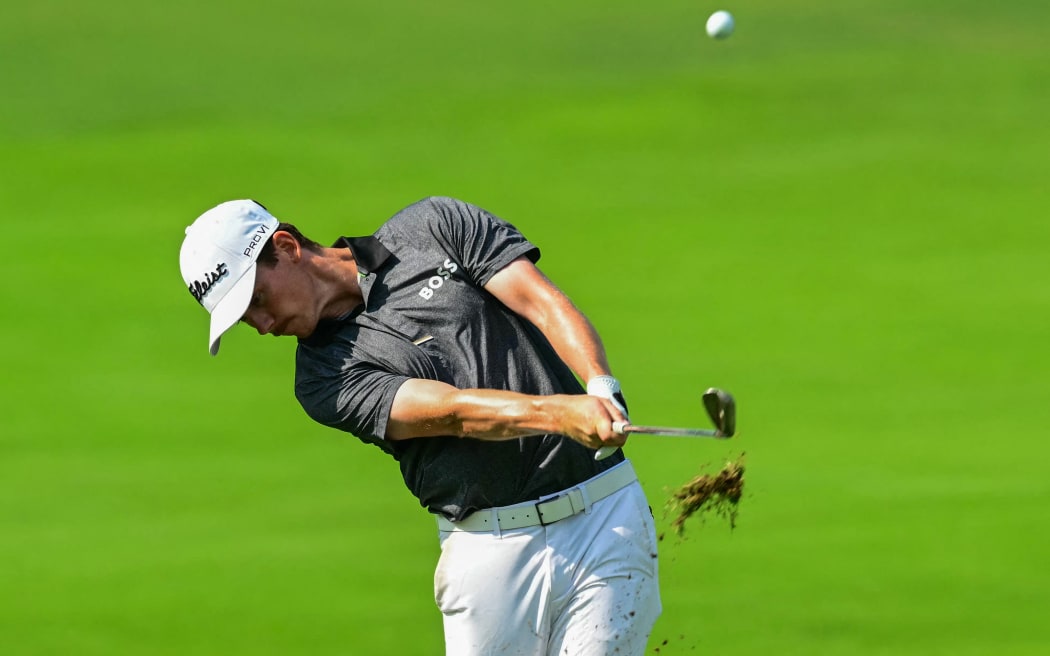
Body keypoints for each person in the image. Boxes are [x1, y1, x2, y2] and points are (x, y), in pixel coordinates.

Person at [178, 196, 661, 655]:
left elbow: (539, 300)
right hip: (491, 550)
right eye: (246, 320)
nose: (262, 326)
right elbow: (452, 413)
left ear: (285, 247)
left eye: (258, 299)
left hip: (605, 519)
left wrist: (599, 387)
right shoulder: (324, 379)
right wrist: (560, 413)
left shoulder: (433, 227)